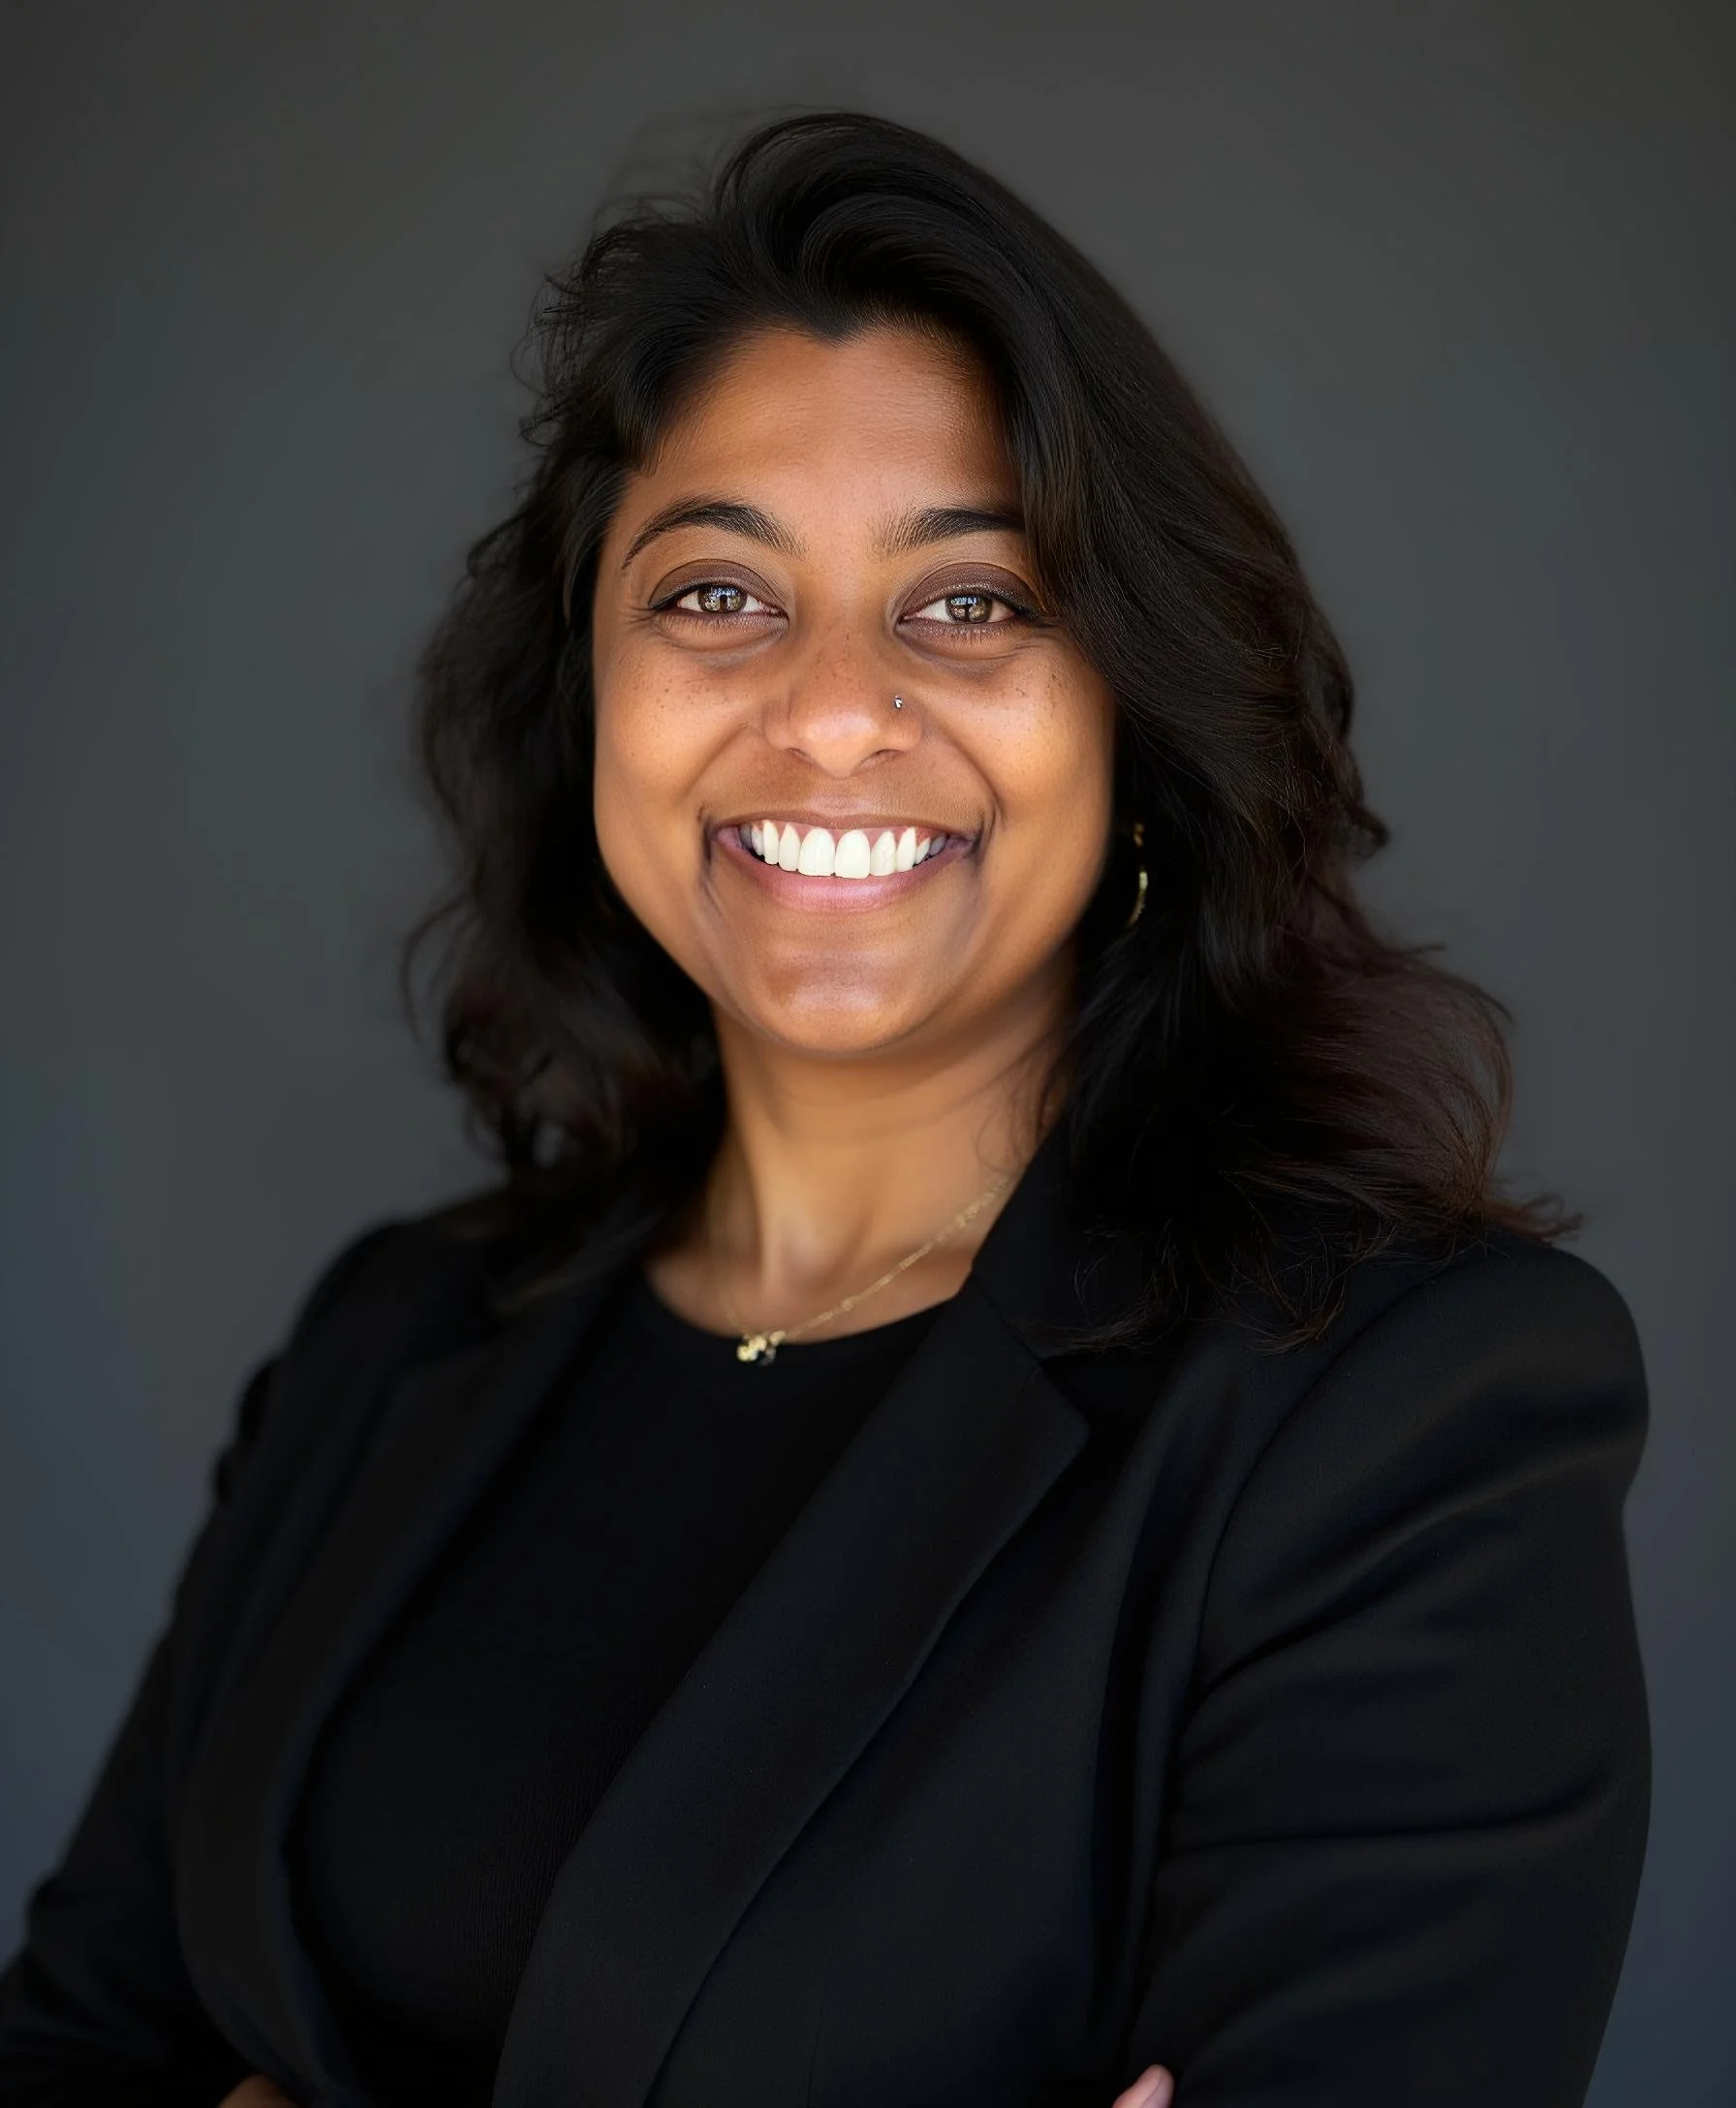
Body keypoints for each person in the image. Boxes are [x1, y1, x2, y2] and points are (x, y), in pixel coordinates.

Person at [0, 112, 1649, 2108]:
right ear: (586, 691)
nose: (836, 706)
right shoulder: (390, 1344)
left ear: (1131, 716)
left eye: (972, 603)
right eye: (714, 594)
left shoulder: (1400, 1415)